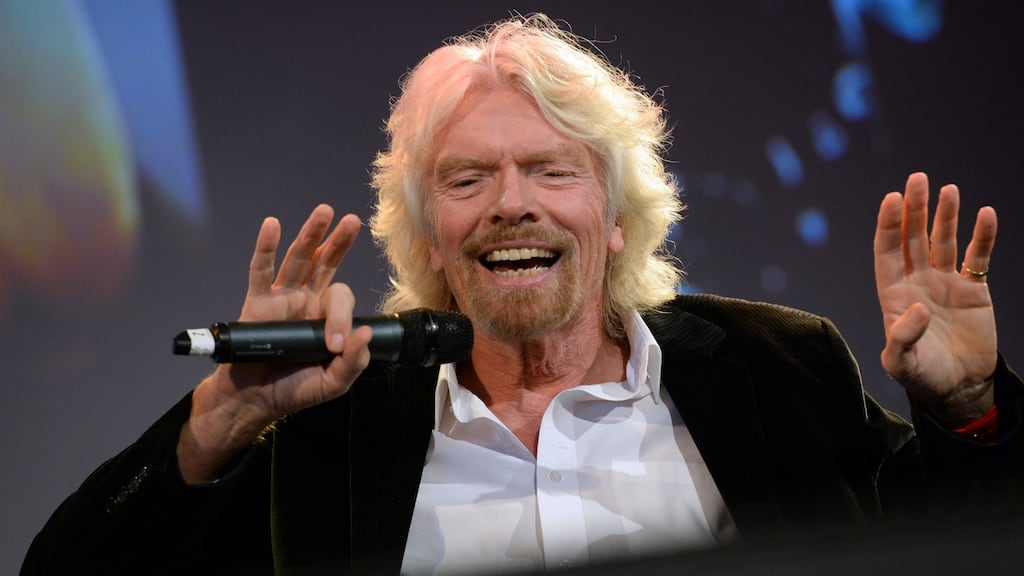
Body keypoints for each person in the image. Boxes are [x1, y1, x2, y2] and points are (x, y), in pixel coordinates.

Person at [22, 13, 1023, 576]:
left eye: (551, 171)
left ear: (617, 214)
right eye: (467, 181)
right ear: (427, 236)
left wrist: (968, 412)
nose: (511, 206)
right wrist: (221, 418)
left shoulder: (777, 368)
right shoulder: (325, 431)